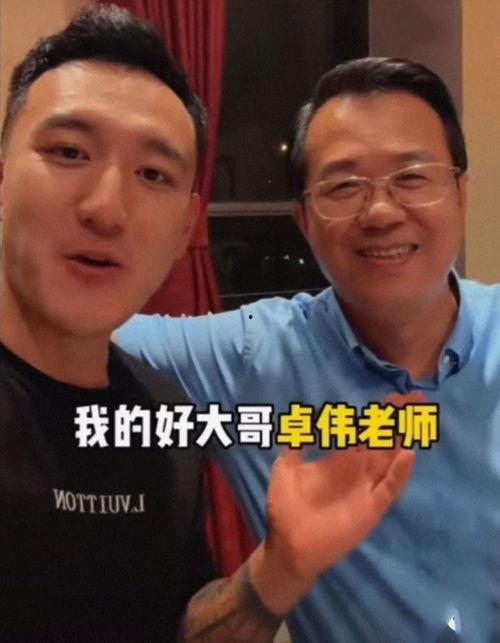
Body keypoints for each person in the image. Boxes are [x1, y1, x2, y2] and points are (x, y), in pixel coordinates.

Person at [0, 7, 414, 641]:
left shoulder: (164, 417)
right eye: (69, 152)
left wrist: (280, 570)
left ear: (185, 227)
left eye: (153, 174)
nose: (107, 208)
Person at [117, 57, 500, 642]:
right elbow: (64, 329)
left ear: (461, 193)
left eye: (412, 177)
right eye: (343, 186)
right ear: (302, 219)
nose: (380, 211)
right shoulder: (251, 360)